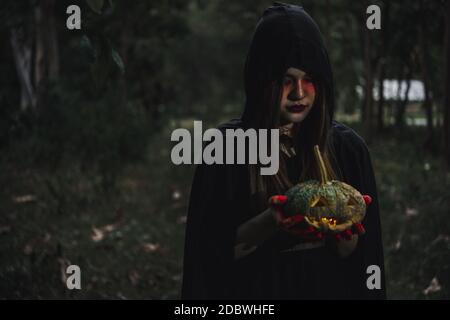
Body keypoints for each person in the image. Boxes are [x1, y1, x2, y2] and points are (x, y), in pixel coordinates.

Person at [181, 2, 386, 299]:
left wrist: (345, 237)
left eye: (309, 79)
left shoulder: (348, 149)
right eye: (286, 81)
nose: (299, 93)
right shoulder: (224, 149)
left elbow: (365, 265)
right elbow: (206, 261)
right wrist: (270, 221)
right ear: (262, 82)